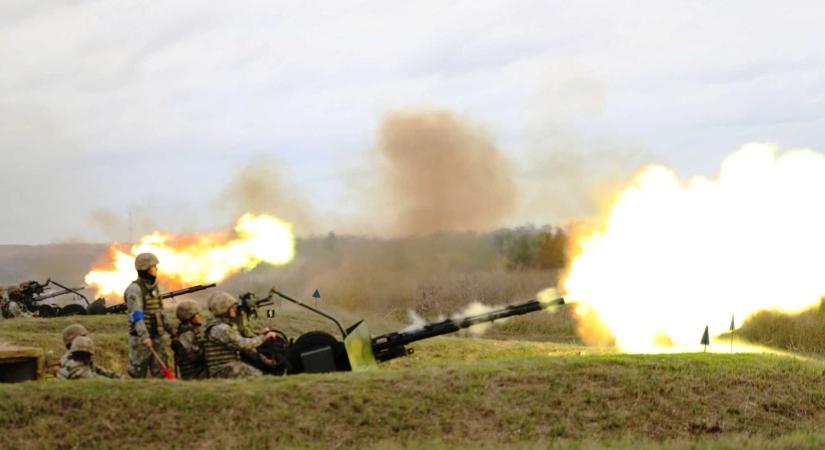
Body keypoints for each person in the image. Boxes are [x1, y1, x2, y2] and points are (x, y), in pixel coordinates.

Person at [203, 292, 280, 378]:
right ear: (224, 309)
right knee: (263, 379)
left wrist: (264, 359)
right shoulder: (221, 328)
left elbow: (242, 347)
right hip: (222, 370)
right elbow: (243, 344)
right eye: (232, 307)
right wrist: (264, 337)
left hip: (230, 367)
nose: (235, 309)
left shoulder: (225, 326)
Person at [124, 252, 173, 378]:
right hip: (141, 340)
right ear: (146, 269)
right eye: (153, 266)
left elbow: (160, 311)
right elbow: (136, 315)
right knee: (137, 374)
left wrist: (171, 330)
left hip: (156, 337)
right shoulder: (135, 289)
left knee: (161, 374)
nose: (156, 269)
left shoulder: (154, 288)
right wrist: (144, 336)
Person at [171, 300, 207, 380]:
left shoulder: (192, 330)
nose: (199, 316)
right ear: (189, 317)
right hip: (194, 375)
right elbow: (193, 356)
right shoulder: (185, 334)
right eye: (196, 314)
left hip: (198, 372)